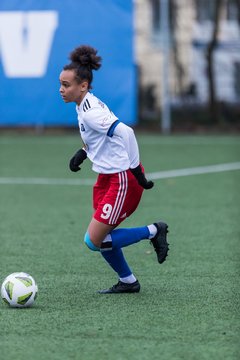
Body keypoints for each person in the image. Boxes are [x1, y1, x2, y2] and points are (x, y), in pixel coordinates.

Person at [59, 45, 169, 294]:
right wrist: (84, 152)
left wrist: (136, 171)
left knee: (94, 240)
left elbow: (126, 132)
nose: (61, 90)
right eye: (61, 84)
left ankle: (154, 230)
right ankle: (128, 281)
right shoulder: (83, 106)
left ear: (83, 85)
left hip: (122, 180)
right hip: (106, 178)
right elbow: (102, 139)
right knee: (100, 239)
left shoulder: (91, 112)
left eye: (66, 85)